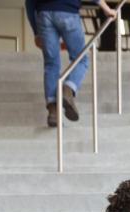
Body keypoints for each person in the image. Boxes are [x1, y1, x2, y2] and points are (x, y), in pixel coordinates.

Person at [25, 0, 117, 128]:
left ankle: (53, 112)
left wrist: (36, 31)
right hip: (68, 12)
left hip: (43, 13)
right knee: (81, 59)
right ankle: (68, 89)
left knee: (51, 64)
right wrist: (106, 8)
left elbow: (29, 2)